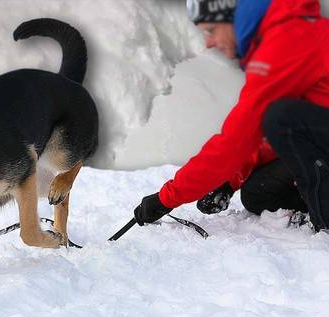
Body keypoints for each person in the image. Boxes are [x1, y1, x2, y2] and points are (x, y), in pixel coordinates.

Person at [134, 0, 329, 232]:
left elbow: (237, 139)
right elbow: (266, 134)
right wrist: (231, 180)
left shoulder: (290, 39)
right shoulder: (284, 35)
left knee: (281, 117)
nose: (208, 42)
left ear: (235, 20)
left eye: (211, 30)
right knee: (258, 192)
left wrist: (167, 198)